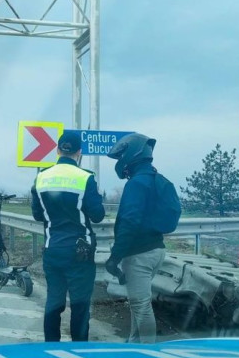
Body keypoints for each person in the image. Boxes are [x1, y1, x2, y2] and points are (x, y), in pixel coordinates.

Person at [31, 131, 105, 341]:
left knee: (54, 301)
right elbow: (98, 216)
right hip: (79, 252)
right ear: (79, 153)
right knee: (80, 305)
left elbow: (37, 214)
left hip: (52, 248)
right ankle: (78, 352)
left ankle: (51, 348)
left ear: (57, 150)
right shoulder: (86, 178)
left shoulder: (41, 177)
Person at [105, 133, 168, 344]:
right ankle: (133, 343)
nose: (120, 160)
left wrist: (115, 257)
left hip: (138, 254)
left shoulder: (136, 184)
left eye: (121, 155)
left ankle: (148, 354)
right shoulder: (158, 180)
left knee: (141, 305)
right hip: (157, 250)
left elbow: (129, 223)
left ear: (131, 155)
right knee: (137, 302)